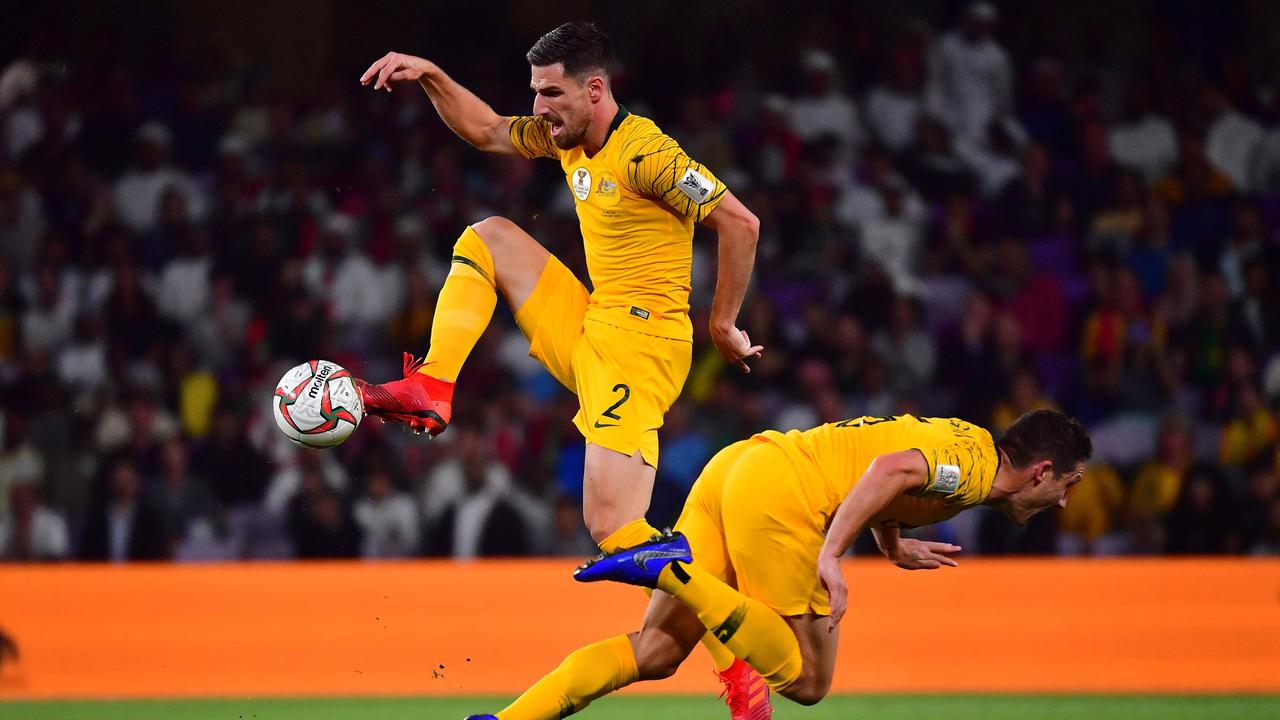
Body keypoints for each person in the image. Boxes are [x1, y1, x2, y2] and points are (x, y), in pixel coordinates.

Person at [358, 23, 764, 712]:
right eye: (536, 93)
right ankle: (431, 385)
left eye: (551, 93)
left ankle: (737, 659)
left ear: (595, 90)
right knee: (485, 237)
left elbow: (740, 222)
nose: (539, 108)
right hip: (595, 319)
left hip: (642, 346)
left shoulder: (649, 155)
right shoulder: (564, 135)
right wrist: (429, 72)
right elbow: (486, 129)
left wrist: (722, 322)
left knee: (614, 528)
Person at [465, 410, 1091, 719]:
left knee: (655, 650)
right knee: (810, 682)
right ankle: (671, 567)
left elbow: (886, 465)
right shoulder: (979, 474)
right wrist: (833, 551)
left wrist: (891, 539)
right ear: (1041, 471)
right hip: (781, 496)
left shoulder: (967, 439)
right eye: (1068, 484)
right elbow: (889, 469)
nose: (1062, 500)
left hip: (739, 465)